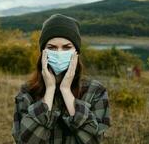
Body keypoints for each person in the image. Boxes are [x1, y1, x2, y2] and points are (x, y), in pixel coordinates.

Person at [11, 13, 111, 144]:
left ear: (76, 52)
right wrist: (50, 90)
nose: (59, 53)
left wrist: (66, 91)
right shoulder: (27, 92)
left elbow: (94, 140)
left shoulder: (95, 91)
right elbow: (25, 141)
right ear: (43, 53)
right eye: (51, 48)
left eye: (66, 47)